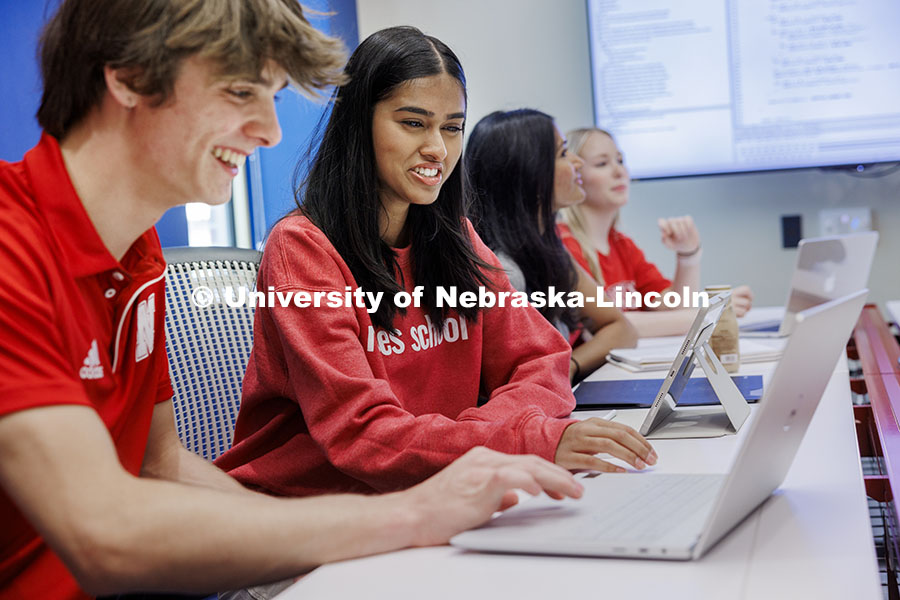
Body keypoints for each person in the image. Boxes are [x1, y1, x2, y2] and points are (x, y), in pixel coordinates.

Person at [0, 3, 586, 599]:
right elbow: (104, 533)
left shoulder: (138, 252)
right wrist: (415, 514)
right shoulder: (10, 245)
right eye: (238, 91)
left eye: (273, 99)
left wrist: (336, 547)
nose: (270, 132)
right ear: (125, 76)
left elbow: (158, 466)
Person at [215, 27, 657, 500]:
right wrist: (520, 439)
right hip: (307, 516)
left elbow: (542, 360)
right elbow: (365, 439)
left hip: (432, 491)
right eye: (412, 123)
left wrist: (480, 440)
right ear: (358, 124)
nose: (438, 149)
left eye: (451, 127)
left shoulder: (455, 236)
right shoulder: (302, 249)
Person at [466, 109, 637, 382]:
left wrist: (571, 367)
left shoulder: (549, 247)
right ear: (528, 173)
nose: (577, 162)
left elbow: (621, 328)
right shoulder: (503, 271)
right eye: (563, 154)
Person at [558, 128, 754, 337]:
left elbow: (675, 307)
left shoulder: (621, 244)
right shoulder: (564, 244)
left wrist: (688, 255)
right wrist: (711, 313)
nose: (619, 172)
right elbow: (611, 324)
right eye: (602, 164)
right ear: (574, 174)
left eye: (620, 160)